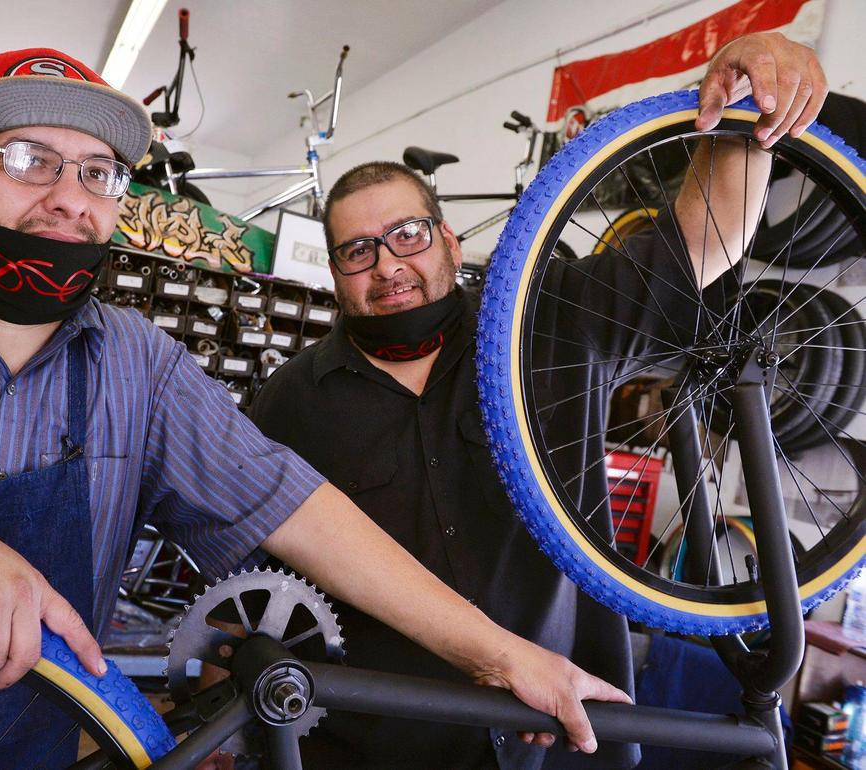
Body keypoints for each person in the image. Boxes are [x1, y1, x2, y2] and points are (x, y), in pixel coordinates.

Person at [0, 47, 631, 768]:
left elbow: (304, 513)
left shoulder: (137, 369)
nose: (67, 198)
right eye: (26, 159)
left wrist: (504, 656)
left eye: (97, 172)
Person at [248, 31, 827, 770]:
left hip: (564, 742)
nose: (388, 265)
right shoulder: (291, 402)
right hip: (375, 746)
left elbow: (697, 248)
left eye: (407, 235)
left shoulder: (543, 322)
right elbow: (250, 587)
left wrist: (754, 105)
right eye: (358, 250)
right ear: (334, 272)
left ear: (451, 243)